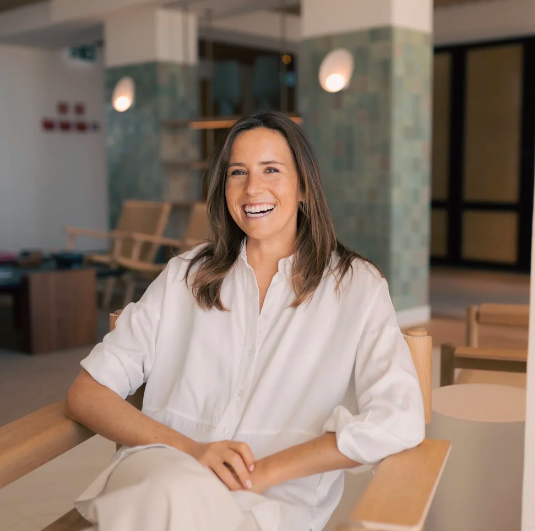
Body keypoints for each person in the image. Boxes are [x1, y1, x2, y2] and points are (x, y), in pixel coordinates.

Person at [66, 110, 425, 531]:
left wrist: (263, 473)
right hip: (162, 476)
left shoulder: (356, 287)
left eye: (271, 169)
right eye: (238, 172)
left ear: (304, 186)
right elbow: (87, 393)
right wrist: (192, 451)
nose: (253, 188)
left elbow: (399, 416)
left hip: (272, 506)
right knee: (170, 492)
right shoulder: (184, 276)